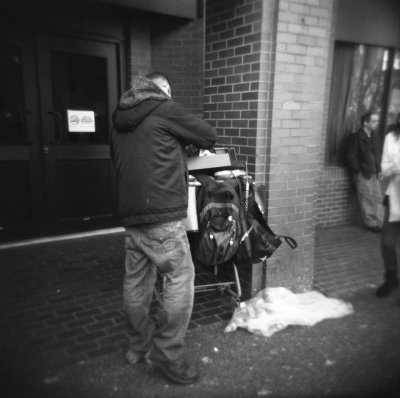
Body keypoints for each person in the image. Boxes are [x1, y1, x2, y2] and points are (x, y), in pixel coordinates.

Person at [110, 71, 217, 384]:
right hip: (163, 216)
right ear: (157, 91)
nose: (170, 94)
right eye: (167, 89)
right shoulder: (164, 108)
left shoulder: (119, 118)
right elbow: (208, 135)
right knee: (179, 278)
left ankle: (137, 347)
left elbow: (123, 159)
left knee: (136, 283)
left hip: (131, 216)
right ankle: (167, 355)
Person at [346, 112, 384, 232]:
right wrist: (358, 170)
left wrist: (379, 169)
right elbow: (351, 157)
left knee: (377, 197)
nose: (376, 124)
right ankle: (371, 224)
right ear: (365, 122)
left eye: (377, 121)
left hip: (374, 172)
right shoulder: (356, 137)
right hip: (364, 173)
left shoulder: (374, 136)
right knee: (366, 198)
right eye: (374, 121)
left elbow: (377, 155)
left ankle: (380, 222)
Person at [376, 120, 400, 297]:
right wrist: (393, 169)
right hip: (394, 196)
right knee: (387, 243)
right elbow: (384, 169)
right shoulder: (391, 138)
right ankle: (391, 278)